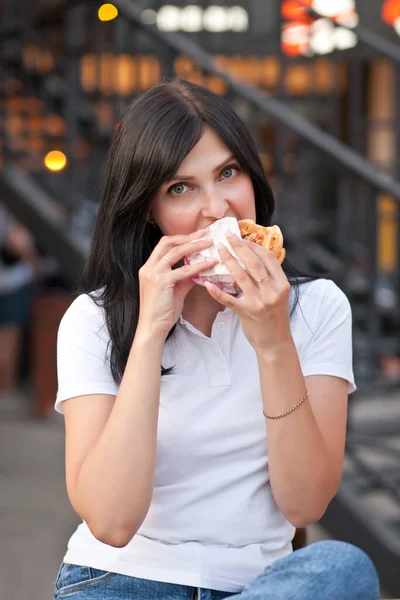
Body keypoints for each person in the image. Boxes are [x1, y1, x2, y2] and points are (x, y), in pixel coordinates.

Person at [53, 79, 379, 600]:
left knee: (341, 564)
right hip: (119, 582)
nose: (219, 208)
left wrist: (273, 341)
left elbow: (304, 505)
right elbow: (112, 524)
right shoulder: (93, 319)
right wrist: (151, 333)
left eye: (228, 173)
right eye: (181, 188)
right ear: (147, 210)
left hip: (260, 587)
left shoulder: (316, 307)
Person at [0, 204, 42, 397]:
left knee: (10, 338)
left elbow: (20, 245)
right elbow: (21, 246)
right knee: (9, 338)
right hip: (13, 282)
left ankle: (6, 388)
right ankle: (6, 388)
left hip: (14, 282)